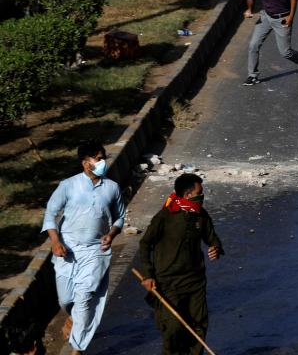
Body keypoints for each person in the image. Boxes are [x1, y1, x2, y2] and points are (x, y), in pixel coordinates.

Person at [41, 141, 126, 355]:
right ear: (85, 163)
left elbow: (120, 217)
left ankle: (76, 349)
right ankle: (75, 318)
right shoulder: (68, 185)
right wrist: (55, 241)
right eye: (97, 158)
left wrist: (112, 233)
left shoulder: (112, 188)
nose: (102, 162)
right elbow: (50, 214)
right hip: (67, 250)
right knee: (66, 299)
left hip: (95, 251)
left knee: (85, 297)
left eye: (102, 157)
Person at [138, 174, 224, 355]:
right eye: (199, 193)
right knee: (173, 329)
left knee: (198, 326)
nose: (203, 196)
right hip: (168, 283)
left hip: (195, 282)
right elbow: (145, 244)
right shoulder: (164, 217)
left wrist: (216, 247)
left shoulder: (201, 215)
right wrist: (147, 274)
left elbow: (211, 237)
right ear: (187, 195)